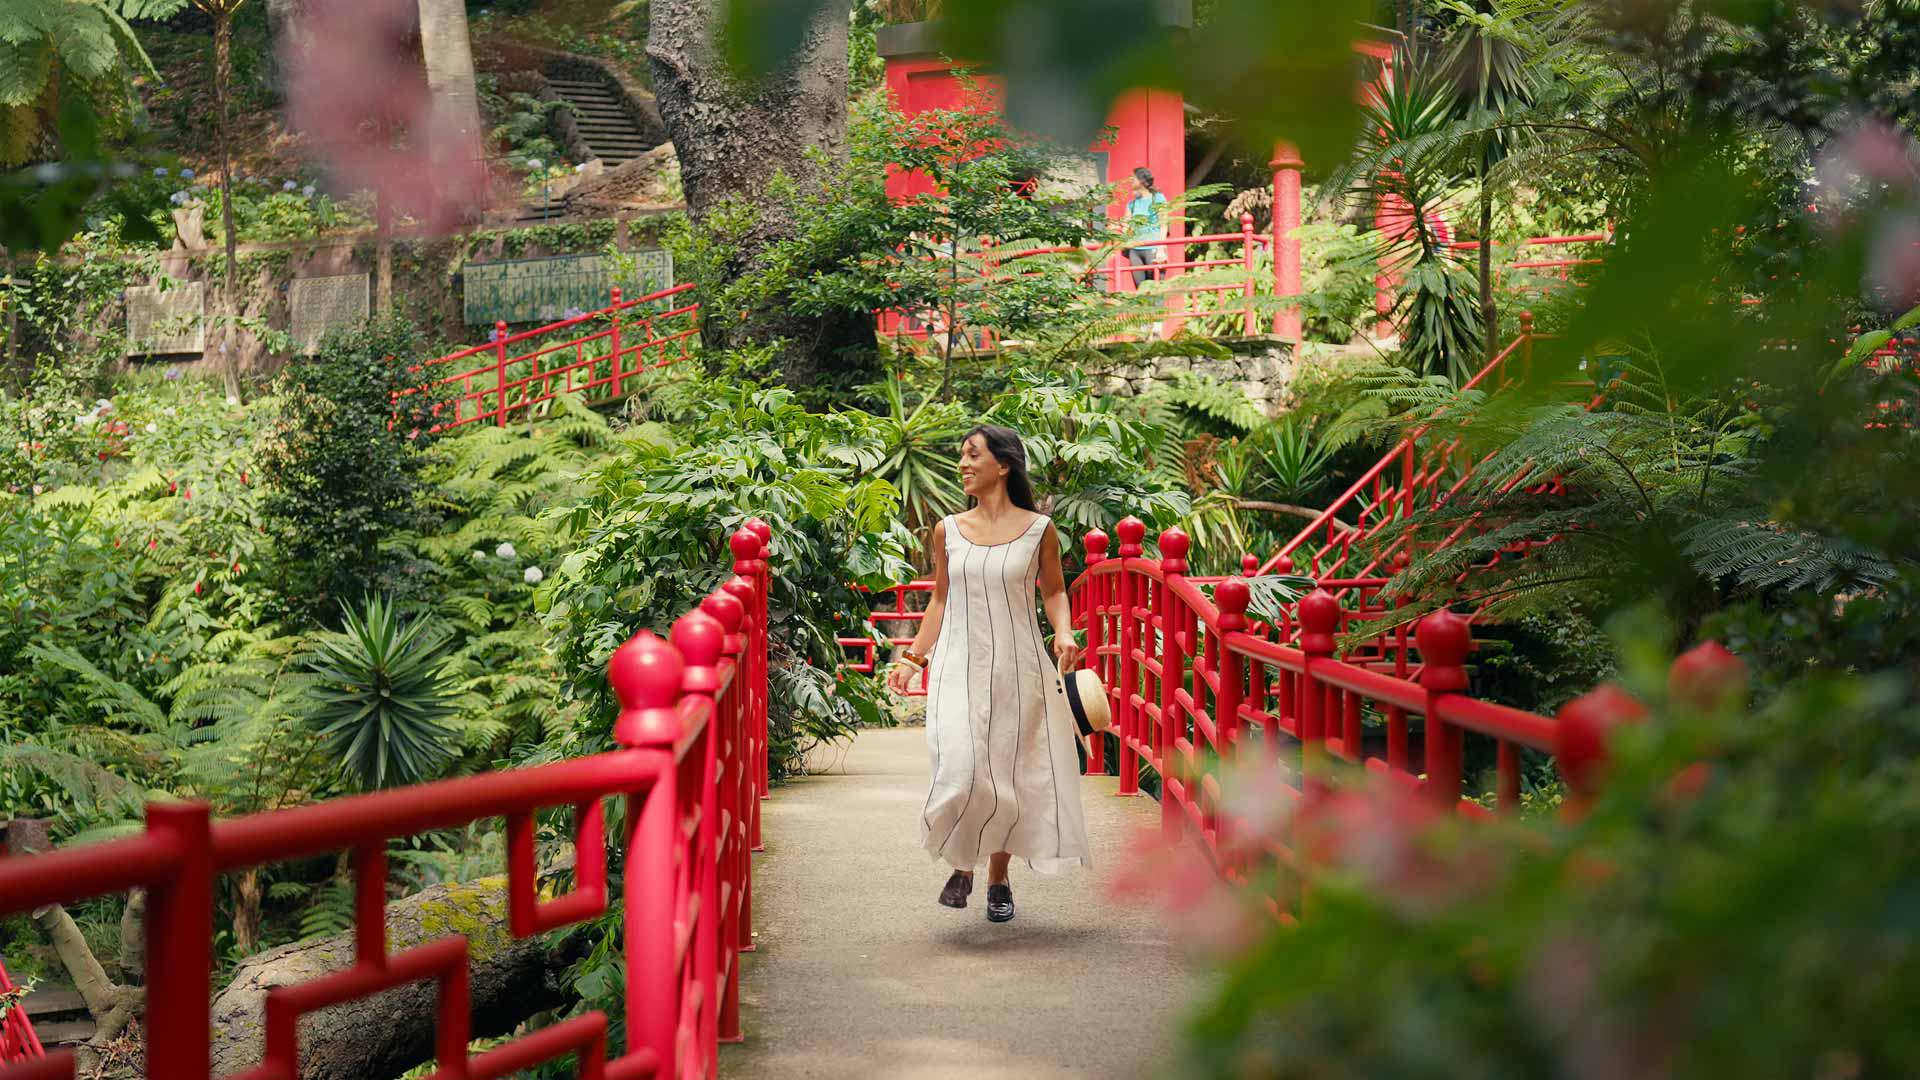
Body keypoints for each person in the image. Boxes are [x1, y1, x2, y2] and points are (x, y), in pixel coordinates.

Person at [886, 426, 1091, 923]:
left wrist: (1063, 633)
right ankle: (962, 859)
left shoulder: (1039, 529)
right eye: (961, 455)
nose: (963, 463)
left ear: (1003, 465)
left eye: (972, 455)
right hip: (959, 664)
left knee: (1008, 773)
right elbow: (939, 599)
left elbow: (1054, 592)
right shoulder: (948, 530)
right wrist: (913, 659)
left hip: (1019, 670)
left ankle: (995, 878)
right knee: (959, 764)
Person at [1122, 166, 1170, 288]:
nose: (1131, 180)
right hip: (1135, 251)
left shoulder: (1158, 198)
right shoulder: (1132, 204)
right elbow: (1125, 225)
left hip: (1153, 248)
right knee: (1141, 289)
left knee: (1156, 287)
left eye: (1133, 178)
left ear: (1142, 180)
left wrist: (1161, 248)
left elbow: (1163, 224)